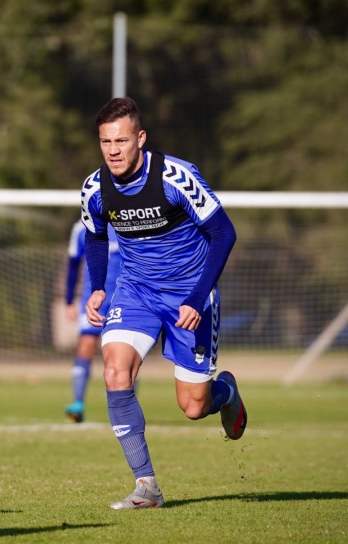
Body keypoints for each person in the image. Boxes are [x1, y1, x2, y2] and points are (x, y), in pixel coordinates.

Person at [81, 97, 247, 510]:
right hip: (136, 290)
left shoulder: (176, 176)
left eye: (121, 141)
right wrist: (98, 287)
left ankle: (226, 392)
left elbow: (224, 233)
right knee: (115, 371)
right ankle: (147, 486)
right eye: (105, 142)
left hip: (190, 295)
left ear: (140, 138)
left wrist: (197, 297)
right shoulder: (95, 188)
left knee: (193, 406)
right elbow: (95, 235)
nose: (113, 150)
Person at [62, 219, 120, 423]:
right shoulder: (81, 228)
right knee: (85, 345)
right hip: (93, 299)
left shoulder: (127, 220)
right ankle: (78, 403)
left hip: (124, 298)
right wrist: (69, 300)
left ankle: (125, 408)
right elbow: (73, 265)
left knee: (122, 353)